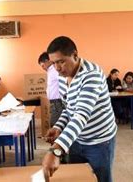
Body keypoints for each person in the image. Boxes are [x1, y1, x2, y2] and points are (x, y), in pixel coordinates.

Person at [42, 36, 117, 182]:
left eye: (61, 61)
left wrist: (56, 151)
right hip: (76, 139)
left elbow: (81, 115)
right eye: (53, 63)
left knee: (100, 179)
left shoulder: (91, 75)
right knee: (79, 177)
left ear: (75, 55)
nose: (57, 68)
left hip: (99, 142)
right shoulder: (63, 76)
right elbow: (69, 108)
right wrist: (58, 126)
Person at [38, 52, 64, 127]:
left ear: (47, 61)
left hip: (57, 102)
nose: (43, 68)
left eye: (43, 65)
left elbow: (64, 81)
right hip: (54, 102)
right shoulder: (50, 71)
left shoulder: (55, 70)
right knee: (54, 124)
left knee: (55, 125)